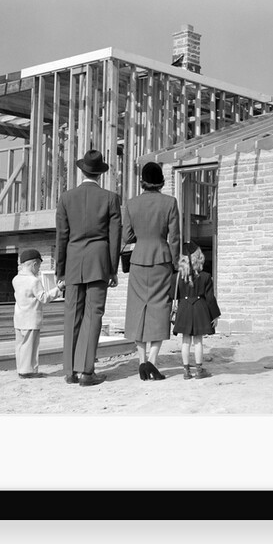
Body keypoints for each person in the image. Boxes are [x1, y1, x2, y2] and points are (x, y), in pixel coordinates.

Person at [55, 150, 122, 387]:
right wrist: (112, 270)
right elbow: (115, 237)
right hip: (99, 262)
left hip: (73, 263)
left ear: (82, 170)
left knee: (72, 314)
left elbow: (61, 237)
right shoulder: (111, 198)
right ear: (99, 174)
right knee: (94, 314)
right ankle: (86, 371)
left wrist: (60, 272)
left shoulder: (66, 198)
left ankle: (70, 371)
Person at [122, 161, 180, 381]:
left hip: (138, 261)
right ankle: (152, 362)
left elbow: (127, 237)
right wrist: (175, 264)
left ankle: (140, 360)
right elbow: (174, 238)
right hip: (162, 260)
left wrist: (142, 235)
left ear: (141, 182)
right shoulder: (170, 202)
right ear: (162, 182)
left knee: (137, 310)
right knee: (159, 309)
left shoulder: (131, 204)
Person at [172, 241, 221, 380]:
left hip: (184, 309)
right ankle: (199, 370)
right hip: (200, 309)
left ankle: (186, 371)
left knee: (185, 340)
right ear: (198, 258)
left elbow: (171, 295)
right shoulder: (205, 276)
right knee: (198, 340)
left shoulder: (176, 278)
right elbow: (210, 299)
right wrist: (215, 315)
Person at [12, 248, 62, 379]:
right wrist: (59, 289)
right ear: (34, 264)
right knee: (31, 347)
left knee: (21, 345)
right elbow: (44, 298)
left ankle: (21, 369)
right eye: (38, 266)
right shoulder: (34, 281)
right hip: (31, 319)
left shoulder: (15, 279)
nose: (39, 269)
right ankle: (29, 372)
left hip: (19, 318)